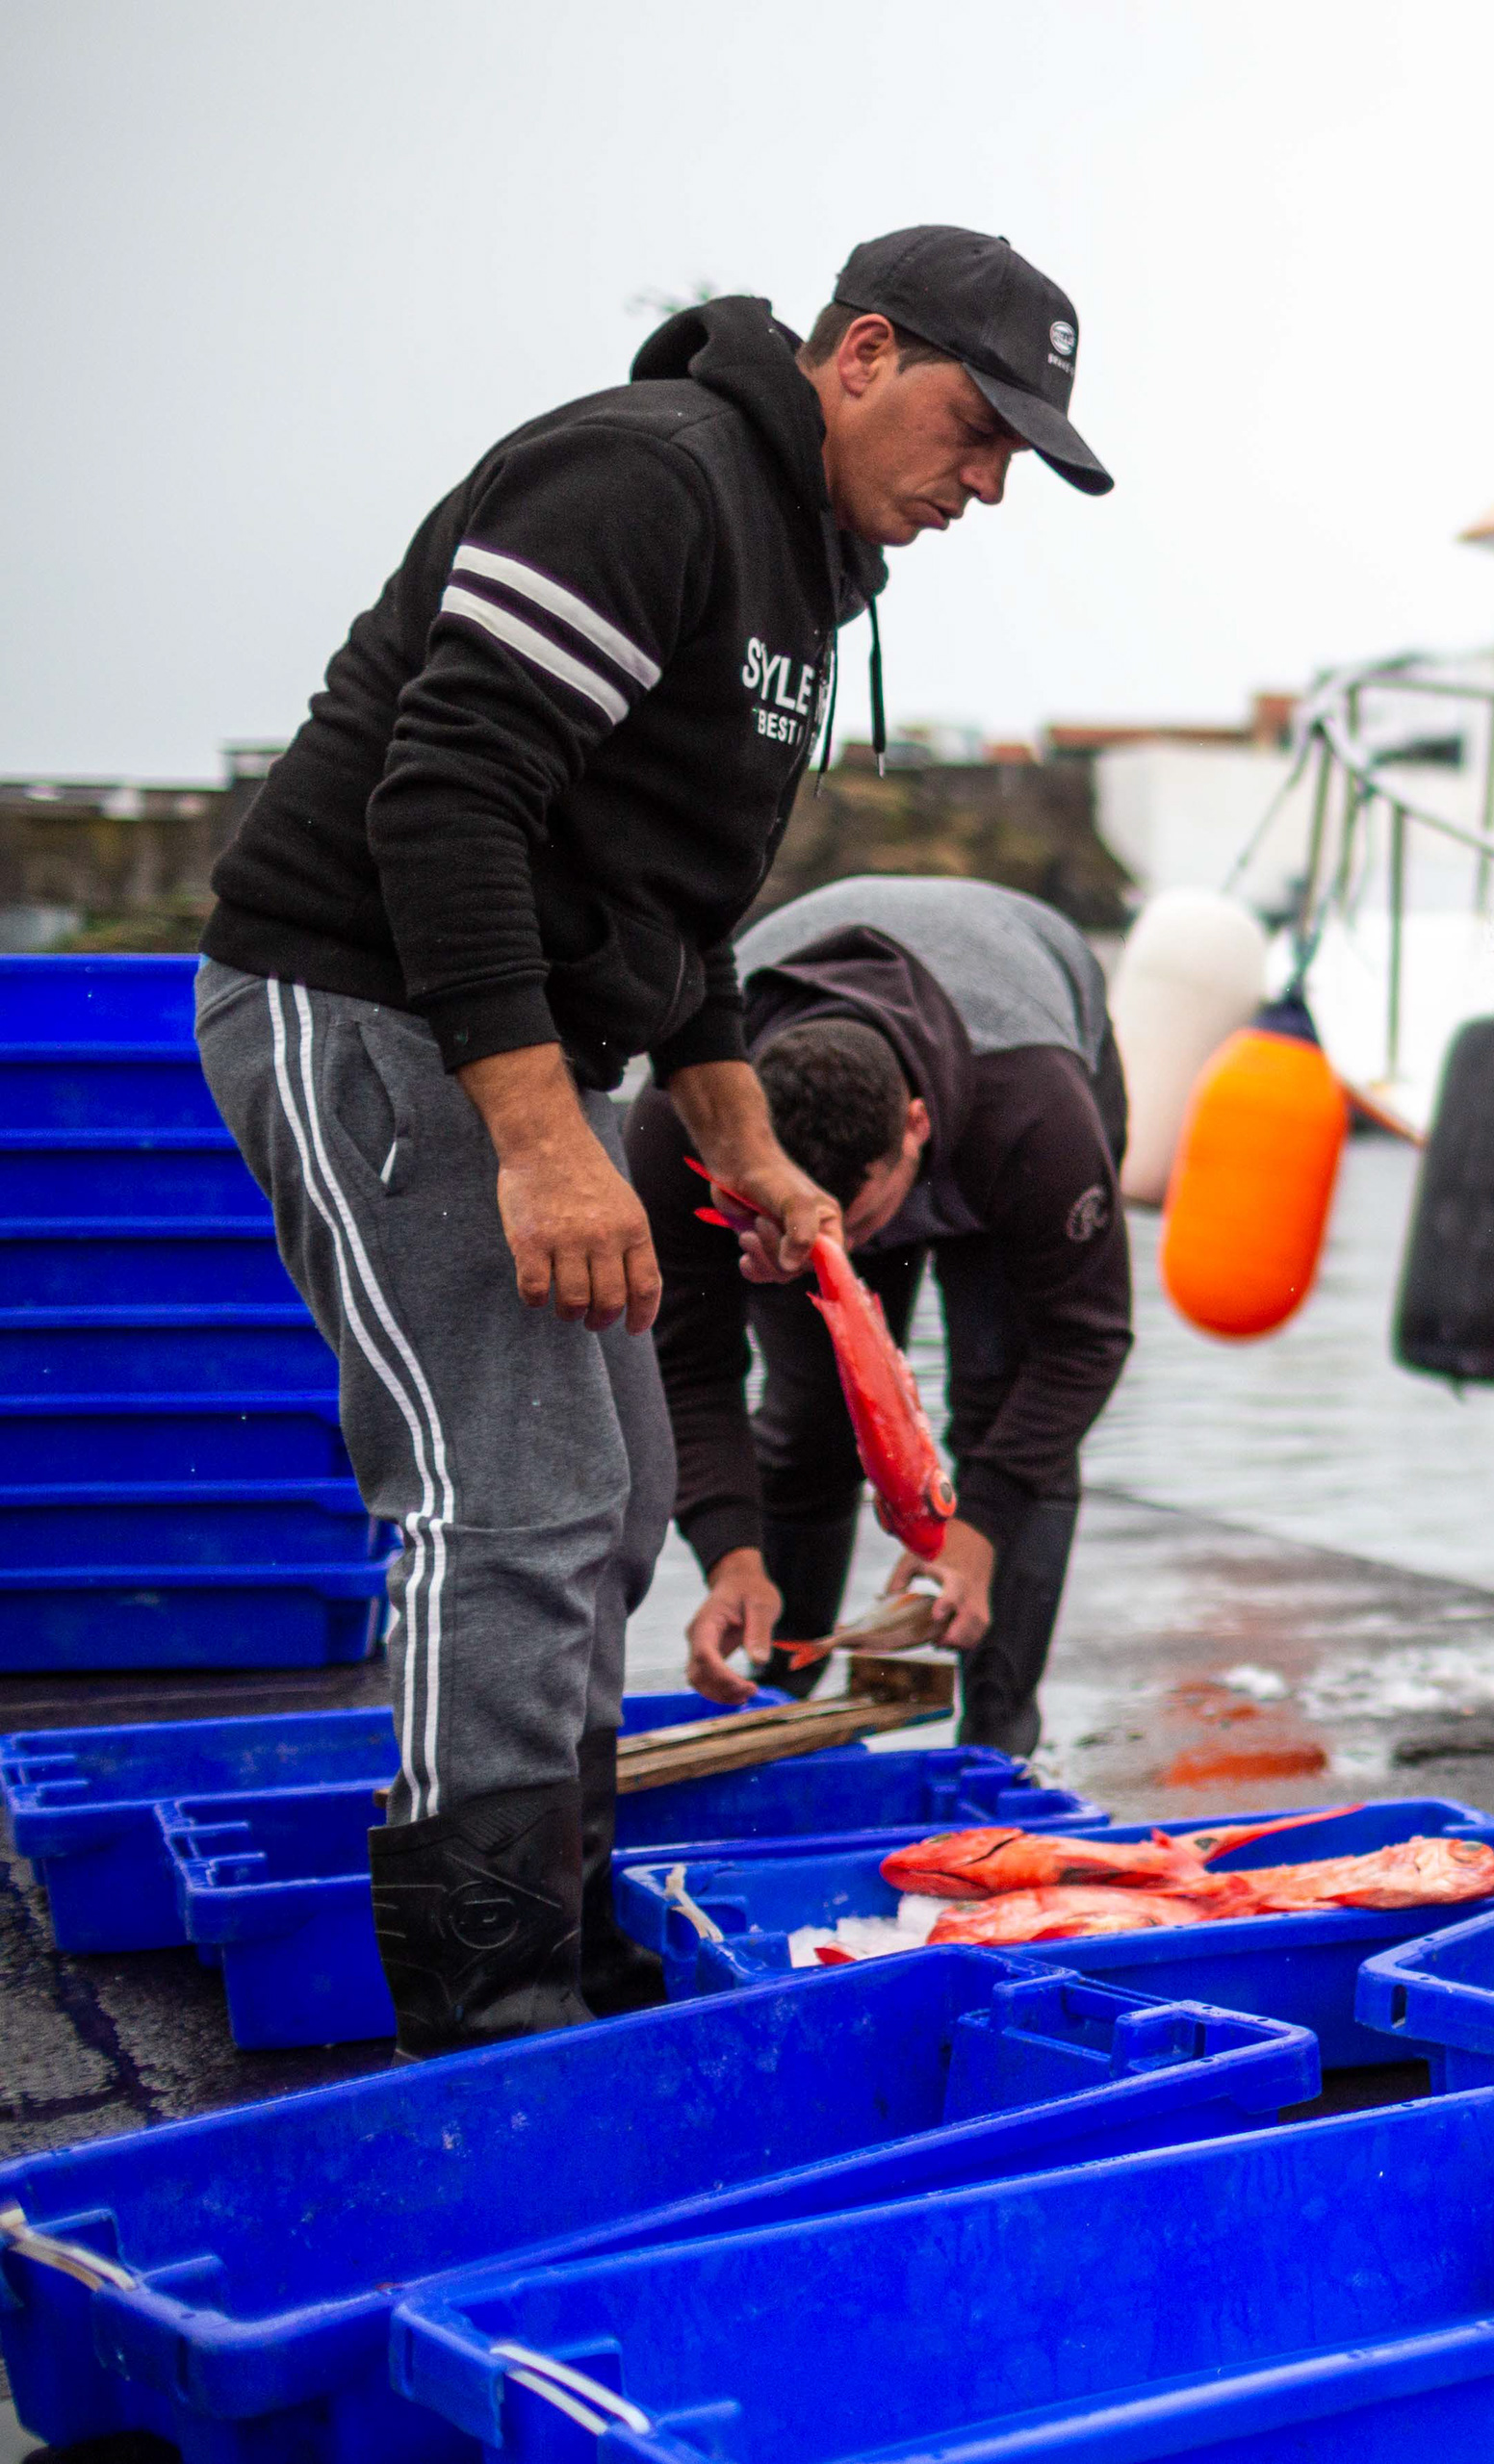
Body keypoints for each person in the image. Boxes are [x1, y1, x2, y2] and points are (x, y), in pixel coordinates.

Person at [192, 227, 1112, 2051]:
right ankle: (488, 2010)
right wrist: (544, 1142)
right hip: (376, 1011)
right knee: (513, 1506)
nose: (987, 480)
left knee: (608, 1506)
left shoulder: (809, 576)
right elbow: (443, 791)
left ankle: (563, 1930)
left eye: (1022, 456)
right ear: (861, 353)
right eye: (978, 423)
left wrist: (740, 1141)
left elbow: (675, 915)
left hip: (538, 1034)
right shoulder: (657, 476)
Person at [632, 876, 1131, 1759]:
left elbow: (1084, 1340)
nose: (841, 1245)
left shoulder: (1038, 1116)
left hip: (1019, 1038)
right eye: (796, 1215)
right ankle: (775, 1696)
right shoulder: (686, 1116)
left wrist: (976, 1532)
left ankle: (999, 1741)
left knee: (1000, 1393)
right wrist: (728, 1552)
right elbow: (689, 1361)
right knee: (811, 1411)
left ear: (913, 1126)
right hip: (817, 1086)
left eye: (853, 1224)